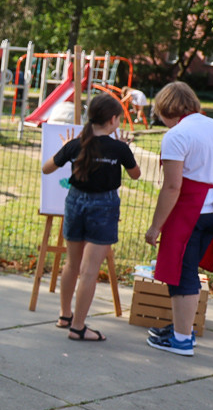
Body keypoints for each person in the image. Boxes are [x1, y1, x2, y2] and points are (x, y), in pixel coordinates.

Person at [42, 94, 141, 341]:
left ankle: (65, 316)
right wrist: (125, 150)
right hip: (104, 207)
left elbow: (47, 168)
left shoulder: (77, 145)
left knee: (72, 265)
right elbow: (136, 175)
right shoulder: (119, 148)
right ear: (113, 120)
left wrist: (68, 149)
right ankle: (78, 327)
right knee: (89, 271)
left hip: (75, 203)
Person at [144, 81, 213, 356]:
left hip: (192, 211)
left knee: (182, 274)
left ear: (166, 109)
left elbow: (172, 187)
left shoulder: (177, 135)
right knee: (188, 269)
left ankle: (182, 340)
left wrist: (155, 227)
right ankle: (182, 328)